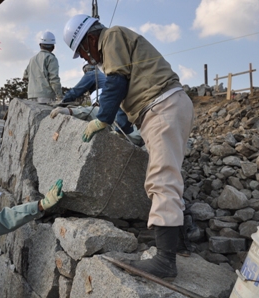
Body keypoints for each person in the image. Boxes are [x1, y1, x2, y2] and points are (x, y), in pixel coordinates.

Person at [63, 15, 194, 281]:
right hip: (165, 106)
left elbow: (116, 81)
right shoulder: (115, 43)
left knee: (162, 178)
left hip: (161, 106)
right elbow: (111, 82)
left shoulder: (111, 36)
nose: (87, 59)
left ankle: (165, 261)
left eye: (83, 52)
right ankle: (178, 243)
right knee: (167, 174)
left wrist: (102, 118)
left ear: (90, 39)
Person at [51, 64, 143, 146]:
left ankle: (68, 111)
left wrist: (63, 104)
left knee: (92, 112)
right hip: (126, 118)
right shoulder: (106, 75)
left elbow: (75, 92)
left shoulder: (91, 74)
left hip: (108, 106)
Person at [23, 31, 63, 105]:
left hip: (31, 96)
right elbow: (54, 79)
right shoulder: (51, 58)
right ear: (53, 47)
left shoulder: (32, 59)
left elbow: (25, 77)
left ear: (40, 45)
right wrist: (60, 96)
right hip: (46, 97)